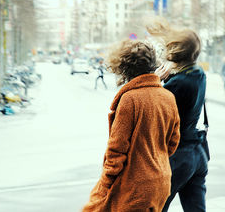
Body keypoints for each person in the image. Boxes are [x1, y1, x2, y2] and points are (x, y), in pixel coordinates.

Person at [82, 39, 181, 212]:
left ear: (124, 67)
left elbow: (117, 150)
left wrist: (104, 187)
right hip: (161, 181)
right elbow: (173, 143)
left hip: (134, 186)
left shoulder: (130, 99)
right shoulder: (168, 97)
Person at [146, 18, 208, 212]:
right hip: (198, 153)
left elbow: (150, 108)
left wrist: (155, 81)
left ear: (174, 51)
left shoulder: (177, 83)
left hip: (178, 156)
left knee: (155, 206)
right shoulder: (198, 74)